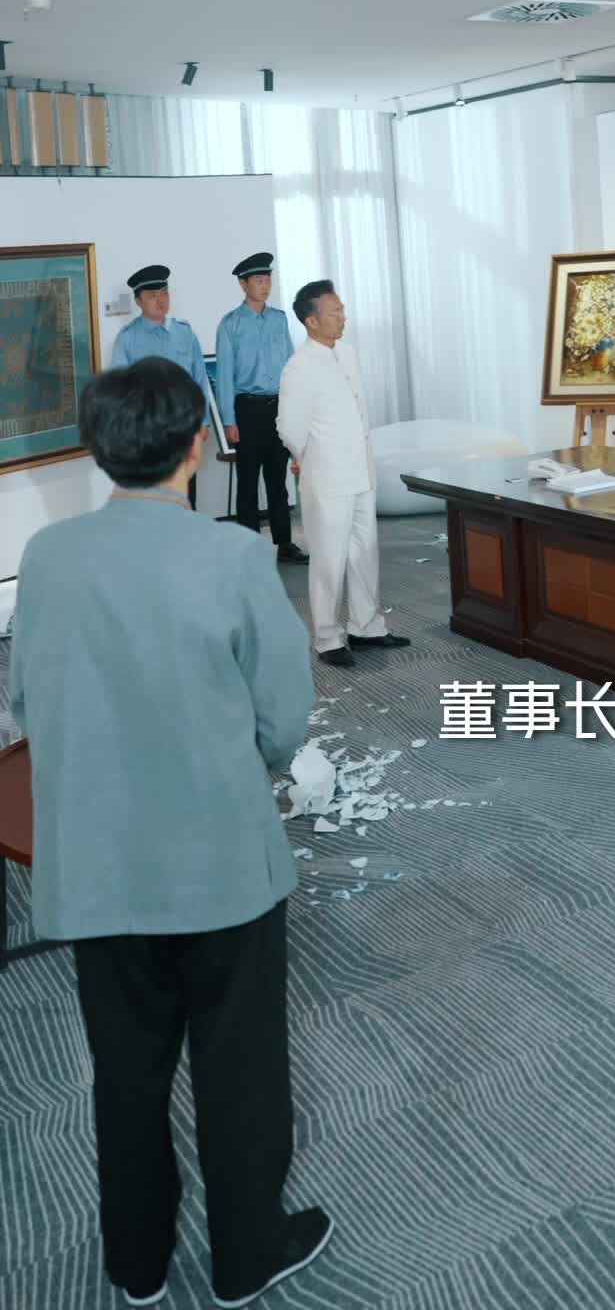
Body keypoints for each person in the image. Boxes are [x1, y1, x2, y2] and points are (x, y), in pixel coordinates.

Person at [9, 359, 332, 1308]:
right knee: (239, 1066)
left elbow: (26, 700)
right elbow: (283, 718)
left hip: (96, 868)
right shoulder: (232, 556)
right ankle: (247, 1255)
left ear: (97, 450)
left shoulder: (48, 557)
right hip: (220, 861)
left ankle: (137, 1262)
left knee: (126, 1069)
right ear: (198, 445)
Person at [277, 280, 409, 667]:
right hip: (327, 476)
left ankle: (366, 627)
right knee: (328, 560)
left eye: (343, 310)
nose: (342, 317)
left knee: (365, 552)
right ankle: (327, 638)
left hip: (361, 471)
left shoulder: (347, 353)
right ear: (311, 321)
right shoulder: (299, 367)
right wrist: (310, 458)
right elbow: (289, 428)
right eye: (335, 312)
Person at [216, 251, 307, 564]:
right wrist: (229, 420)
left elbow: (291, 367)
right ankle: (249, 547)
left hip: (278, 408)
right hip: (248, 410)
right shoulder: (230, 324)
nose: (265, 285)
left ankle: (285, 543)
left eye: (267, 279)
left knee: (277, 480)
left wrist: (295, 410)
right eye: (258, 280)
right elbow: (225, 377)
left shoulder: (279, 319)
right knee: (248, 482)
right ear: (243, 284)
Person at [112, 264, 210, 508]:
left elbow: (200, 379)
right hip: (150, 431)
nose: (161, 300)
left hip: (185, 427)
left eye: (164, 293)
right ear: (139, 301)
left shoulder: (184, 332)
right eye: (152, 295)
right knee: (155, 497)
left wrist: (203, 421)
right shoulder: (128, 338)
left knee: (187, 494)